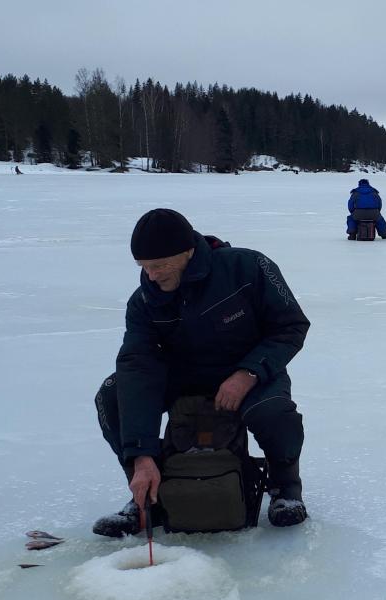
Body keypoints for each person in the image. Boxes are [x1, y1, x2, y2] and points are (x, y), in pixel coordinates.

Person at [92, 208, 312, 537]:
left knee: (273, 412)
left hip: (250, 368)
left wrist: (248, 373)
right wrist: (140, 453)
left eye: (159, 265)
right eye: (144, 268)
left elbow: (291, 327)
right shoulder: (144, 302)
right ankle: (147, 495)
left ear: (188, 252)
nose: (151, 276)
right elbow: (138, 368)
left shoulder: (248, 268)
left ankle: (285, 489)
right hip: (184, 376)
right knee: (113, 393)